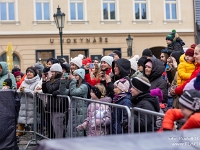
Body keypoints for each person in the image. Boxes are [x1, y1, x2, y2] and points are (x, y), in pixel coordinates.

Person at [42, 63, 66, 138]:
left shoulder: (59, 80)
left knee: (58, 127)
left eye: (53, 72)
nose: (51, 73)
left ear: (57, 72)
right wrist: (44, 81)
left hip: (58, 107)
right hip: (52, 107)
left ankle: (60, 143)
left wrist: (48, 80)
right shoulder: (52, 80)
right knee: (55, 127)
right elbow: (45, 91)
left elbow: (51, 89)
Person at [17, 67, 40, 136]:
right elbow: (19, 91)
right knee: (21, 119)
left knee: (34, 120)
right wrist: (20, 91)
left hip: (32, 104)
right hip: (23, 103)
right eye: (28, 72)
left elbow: (36, 93)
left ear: (34, 73)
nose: (29, 73)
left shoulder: (37, 82)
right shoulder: (24, 81)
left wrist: (26, 90)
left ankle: (35, 135)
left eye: (31, 72)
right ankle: (19, 132)